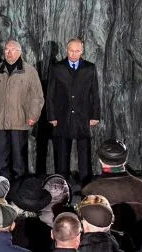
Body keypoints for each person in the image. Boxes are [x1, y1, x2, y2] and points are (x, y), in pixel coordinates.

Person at [0, 39, 44, 179]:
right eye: (6, 50)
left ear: (20, 52)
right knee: (0, 158)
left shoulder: (29, 71)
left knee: (19, 159)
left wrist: (33, 115)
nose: (9, 53)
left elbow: (37, 96)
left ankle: (19, 186)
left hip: (20, 121)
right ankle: (2, 185)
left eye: (12, 50)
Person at [46, 39, 100, 182]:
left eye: (77, 51)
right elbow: (50, 94)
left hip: (83, 116)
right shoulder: (57, 68)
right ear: (66, 50)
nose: (74, 54)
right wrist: (51, 116)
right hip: (62, 116)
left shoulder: (89, 68)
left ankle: (85, 181)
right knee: (62, 150)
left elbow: (94, 93)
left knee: (84, 151)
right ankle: (62, 181)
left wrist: (95, 115)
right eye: (71, 50)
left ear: (82, 51)